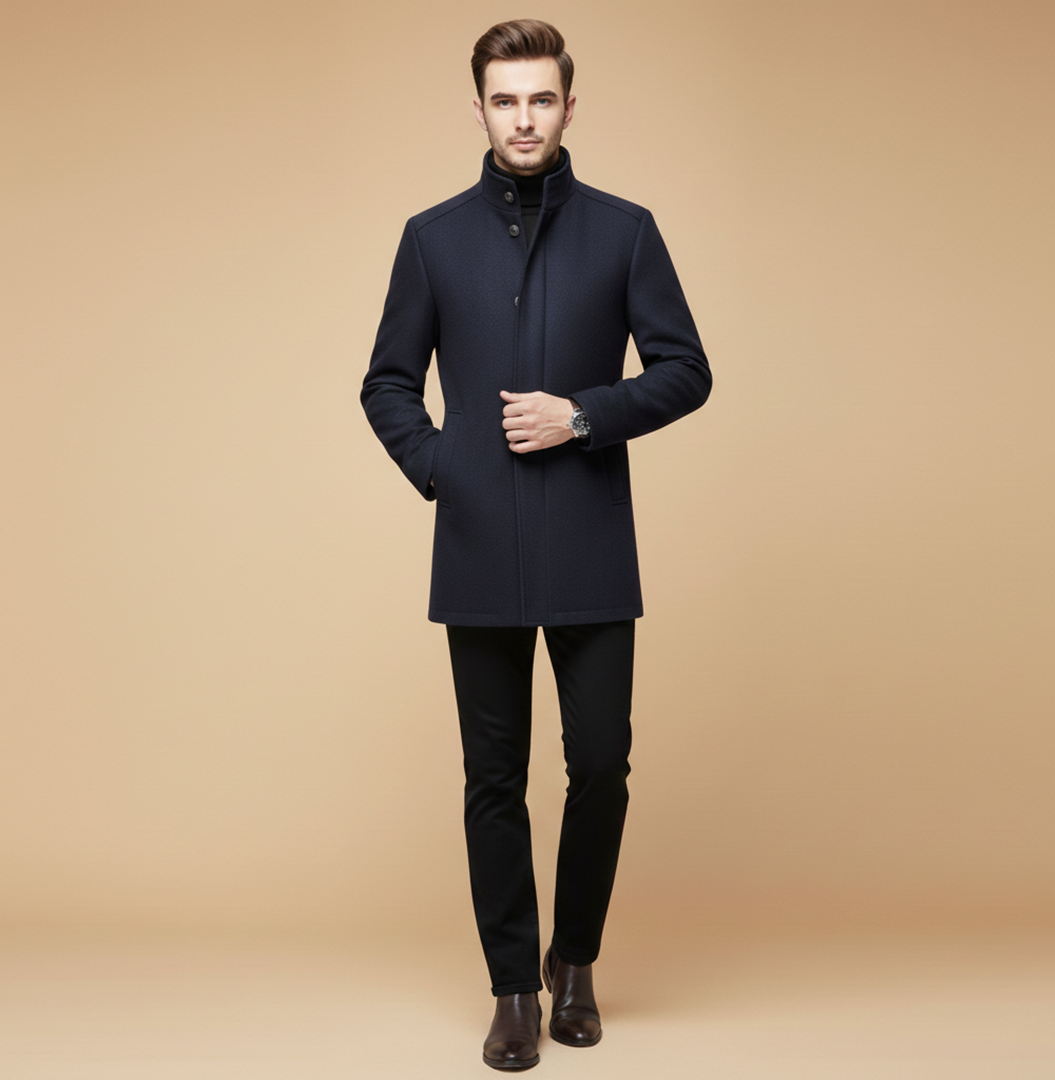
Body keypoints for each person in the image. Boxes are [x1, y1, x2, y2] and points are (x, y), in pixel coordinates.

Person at [361, 19, 710, 1071]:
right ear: (478, 109)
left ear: (568, 106)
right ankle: (514, 988)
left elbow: (686, 369)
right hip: (478, 542)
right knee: (493, 777)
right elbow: (386, 382)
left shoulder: (626, 230)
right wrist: (445, 466)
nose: (524, 119)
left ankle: (575, 963)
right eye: (505, 101)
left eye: (541, 99)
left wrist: (585, 415)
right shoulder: (431, 237)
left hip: (591, 538)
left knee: (601, 763)